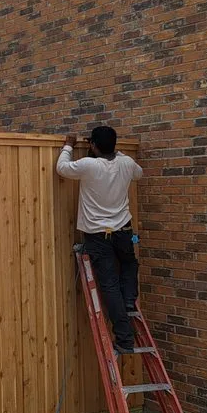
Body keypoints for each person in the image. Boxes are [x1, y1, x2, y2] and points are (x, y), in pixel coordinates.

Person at [56, 126, 143, 355]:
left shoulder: (89, 166)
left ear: (93, 145)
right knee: (129, 263)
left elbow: (62, 168)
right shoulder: (126, 163)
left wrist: (68, 145)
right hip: (123, 230)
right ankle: (129, 299)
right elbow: (139, 173)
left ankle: (125, 340)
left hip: (98, 235)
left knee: (109, 285)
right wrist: (119, 152)